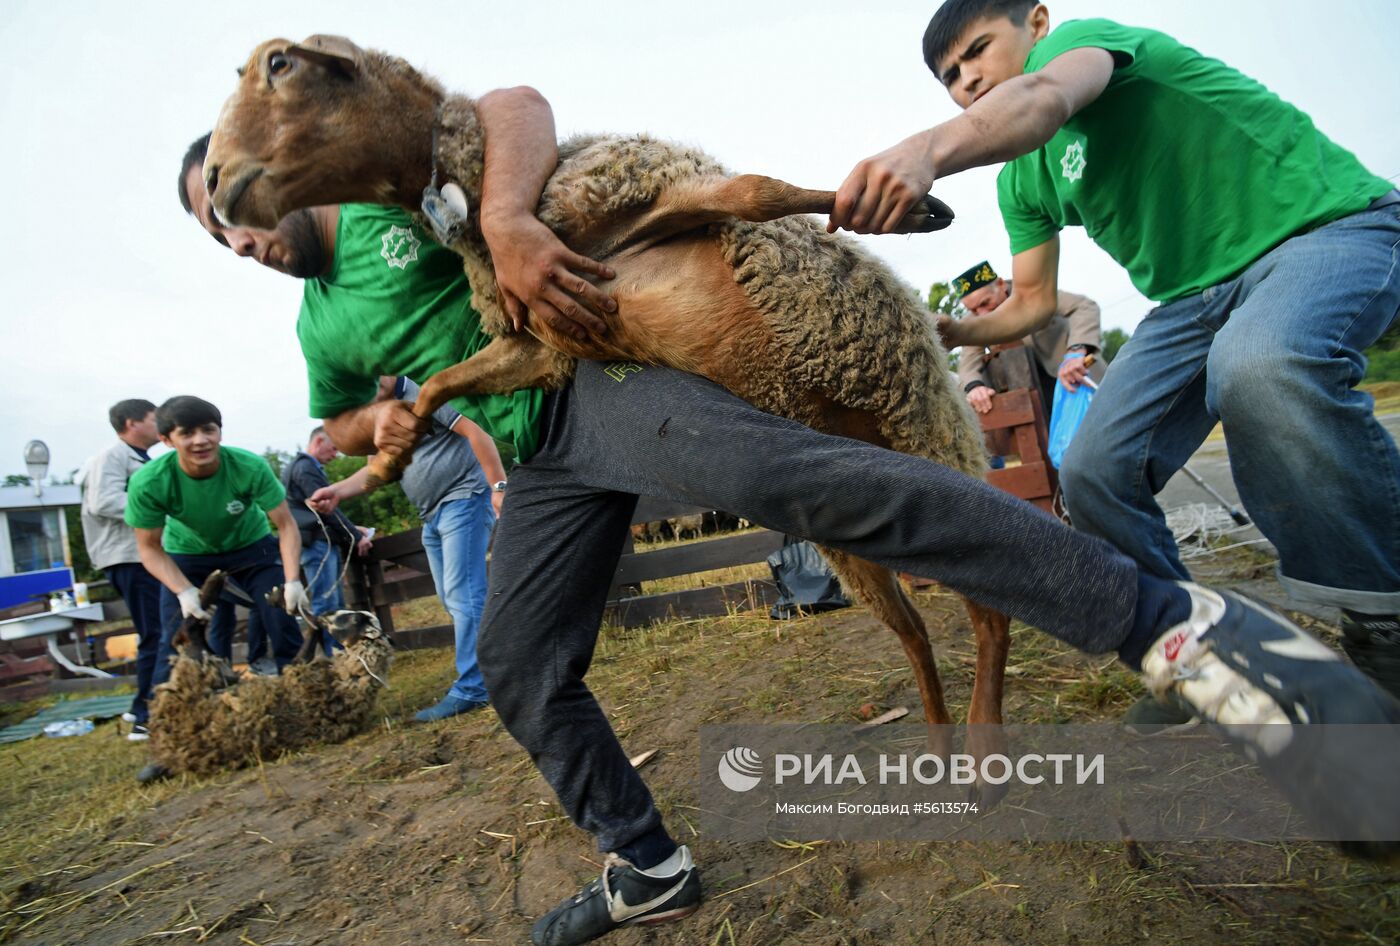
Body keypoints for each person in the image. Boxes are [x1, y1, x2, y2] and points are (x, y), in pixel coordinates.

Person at [181, 71, 1399, 941]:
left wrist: (503, 217)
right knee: (513, 660)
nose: (240, 233)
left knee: (797, 480)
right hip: (530, 454)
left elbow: (505, 106)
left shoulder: (400, 196)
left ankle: (1168, 622)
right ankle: (645, 862)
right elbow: (337, 418)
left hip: (595, 374)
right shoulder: (317, 322)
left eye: (239, 201)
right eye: (217, 231)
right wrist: (380, 420)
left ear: (296, 163)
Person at [829, 1, 1400, 703]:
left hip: (1320, 229)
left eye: (978, 50)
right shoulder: (1021, 180)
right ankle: (1198, 652)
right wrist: (949, 332)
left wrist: (925, 150)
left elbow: (1041, 98)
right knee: (1093, 470)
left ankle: (1385, 616)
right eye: (950, 76)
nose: (967, 80)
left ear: (1034, 23)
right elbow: (1033, 303)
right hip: (1193, 300)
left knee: (1259, 368)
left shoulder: (1078, 46)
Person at [308, 376, 506, 722]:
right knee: (453, 599)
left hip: (464, 497)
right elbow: (378, 469)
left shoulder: (425, 391)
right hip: (432, 514)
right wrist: (337, 491)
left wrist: (498, 485)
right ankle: (507, 662)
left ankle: (476, 687)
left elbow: (477, 431)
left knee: (464, 596)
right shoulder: (375, 414)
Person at [126, 396, 309, 688]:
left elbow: (286, 526)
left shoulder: (249, 466)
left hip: (251, 546)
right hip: (186, 553)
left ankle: (306, 690)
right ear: (167, 440)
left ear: (219, 432)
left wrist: (292, 581)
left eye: (208, 430)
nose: (200, 441)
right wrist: (184, 591)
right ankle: (171, 707)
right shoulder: (150, 482)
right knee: (176, 632)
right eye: (186, 433)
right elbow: (149, 548)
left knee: (280, 616)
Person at [79, 398, 164, 739]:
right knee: (156, 632)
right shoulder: (110, 457)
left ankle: (138, 707)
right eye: (155, 418)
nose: (161, 425)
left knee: (156, 629)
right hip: (127, 555)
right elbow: (103, 502)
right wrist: (159, 512)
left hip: (142, 553)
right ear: (132, 423)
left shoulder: (141, 458)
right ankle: (148, 713)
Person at [953, 259, 1104, 418]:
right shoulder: (974, 320)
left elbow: (1084, 306)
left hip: (1077, 375)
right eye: (974, 310)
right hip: (1033, 395)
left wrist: (1076, 351)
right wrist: (974, 387)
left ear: (1001, 284)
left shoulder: (1031, 292)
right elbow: (968, 361)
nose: (982, 314)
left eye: (985, 303)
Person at [276, 426, 372, 663]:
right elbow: (328, 511)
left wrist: (352, 529)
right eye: (334, 448)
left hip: (316, 541)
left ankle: (339, 654)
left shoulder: (295, 468)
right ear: (318, 442)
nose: (336, 454)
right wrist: (355, 537)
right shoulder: (306, 469)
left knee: (333, 601)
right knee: (327, 604)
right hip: (317, 543)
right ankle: (331, 657)